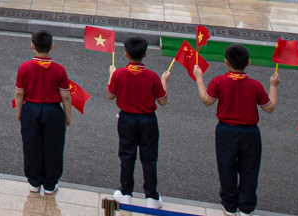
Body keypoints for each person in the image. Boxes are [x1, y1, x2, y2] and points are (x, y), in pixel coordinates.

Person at [194, 41, 280, 216]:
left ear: (226, 62)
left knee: (226, 168)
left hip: (225, 131)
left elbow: (206, 100)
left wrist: (199, 77)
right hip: (250, 133)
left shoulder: (219, 81)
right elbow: (269, 107)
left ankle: (229, 206)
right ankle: (246, 208)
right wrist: (273, 86)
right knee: (250, 170)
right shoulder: (255, 85)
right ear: (248, 63)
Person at [108, 34, 173, 206]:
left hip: (126, 119)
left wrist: (111, 75)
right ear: (145, 54)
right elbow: (163, 100)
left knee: (127, 155)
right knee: (149, 158)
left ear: (126, 54)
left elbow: (110, 95)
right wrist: (164, 81)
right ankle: (151, 196)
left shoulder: (119, 74)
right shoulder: (152, 76)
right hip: (148, 120)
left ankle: (125, 192)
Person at [13, 29, 71, 195]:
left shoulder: (25, 68)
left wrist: (19, 112)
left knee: (32, 145)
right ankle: (50, 184)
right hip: (53, 111)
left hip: (31, 109)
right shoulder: (59, 70)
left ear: (32, 46)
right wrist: (68, 115)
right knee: (53, 146)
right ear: (51, 46)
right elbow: (66, 96)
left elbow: (19, 92)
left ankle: (34, 181)